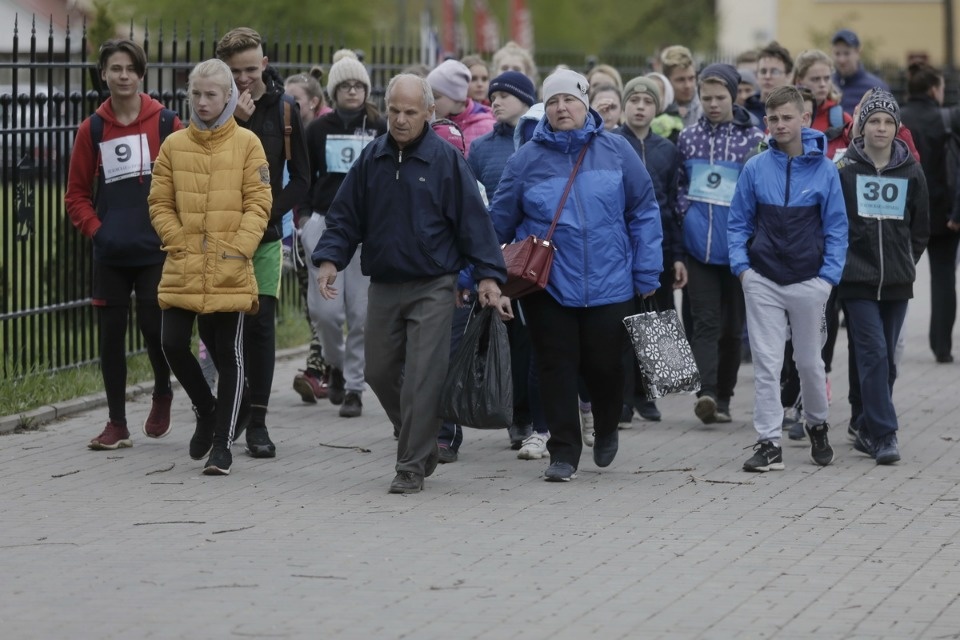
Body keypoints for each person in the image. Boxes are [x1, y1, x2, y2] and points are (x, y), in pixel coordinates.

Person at [311, 74, 509, 494]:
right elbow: (345, 214)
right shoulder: (372, 158)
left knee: (422, 375)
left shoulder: (445, 160)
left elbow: (474, 223)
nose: (400, 120)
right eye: (394, 112)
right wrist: (330, 259)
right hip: (384, 282)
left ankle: (411, 465)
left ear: (429, 113)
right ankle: (419, 434)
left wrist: (489, 276)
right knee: (379, 371)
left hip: (434, 285)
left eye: (410, 113)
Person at [489, 69, 663, 482]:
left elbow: (644, 210)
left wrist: (646, 269)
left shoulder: (617, 151)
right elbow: (497, 223)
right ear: (544, 109)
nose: (561, 108)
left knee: (605, 365)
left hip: (611, 280)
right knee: (555, 366)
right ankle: (563, 452)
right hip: (549, 284)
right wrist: (481, 276)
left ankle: (605, 427)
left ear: (585, 104)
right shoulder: (525, 159)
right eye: (552, 102)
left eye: (569, 100)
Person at [148, 58, 272, 476]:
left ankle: (222, 445)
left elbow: (259, 202)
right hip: (184, 260)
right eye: (196, 94)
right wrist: (178, 239)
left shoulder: (248, 144)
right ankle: (207, 408)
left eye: (211, 95)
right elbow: (160, 202)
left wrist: (240, 248)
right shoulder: (174, 145)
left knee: (227, 352)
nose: (202, 102)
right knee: (171, 342)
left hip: (229, 263)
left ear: (228, 98)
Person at [66, 39, 182, 451]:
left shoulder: (167, 124)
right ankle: (117, 423)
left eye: (130, 68)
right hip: (112, 251)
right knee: (111, 336)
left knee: (155, 330)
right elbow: (75, 194)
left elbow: (184, 184)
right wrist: (98, 230)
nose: (123, 76)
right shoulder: (92, 129)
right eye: (115, 68)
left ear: (141, 73)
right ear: (104, 75)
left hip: (156, 249)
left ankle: (163, 393)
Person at [728, 85, 848, 472]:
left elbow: (837, 228)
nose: (780, 124)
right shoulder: (755, 167)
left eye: (787, 117)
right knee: (766, 362)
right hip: (762, 278)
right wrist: (743, 270)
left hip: (809, 280)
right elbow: (738, 222)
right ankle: (768, 442)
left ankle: (817, 423)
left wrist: (827, 279)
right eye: (774, 118)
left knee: (810, 363)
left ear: (802, 119)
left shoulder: (826, 169)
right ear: (766, 122)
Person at [216, 27, 310, 458]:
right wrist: (234, 120)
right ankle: (225, 407)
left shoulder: (286, 110)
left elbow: (304, 180)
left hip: (267, 238)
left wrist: (265, 213)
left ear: (265, 65)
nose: (243, 80)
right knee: (221, 329)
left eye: (251, 70)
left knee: (260, 326)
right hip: (218, 237)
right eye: (235, 72)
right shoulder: (209, 108)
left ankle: (257, 421)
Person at [836, 90, 929, 464]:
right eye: (874, 120)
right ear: (861, 126)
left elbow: (920, 227)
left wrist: (906, 260)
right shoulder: (845, 171)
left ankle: (863, 422)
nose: (881, 127)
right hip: (856, 280)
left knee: (886, 359)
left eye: (888, 122)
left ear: (897, 128)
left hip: (896, 281)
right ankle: (885, 434)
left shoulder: (911, 171)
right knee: (872, 352)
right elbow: (834, 223)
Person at [298, 52, 386, 419]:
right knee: (326, 311)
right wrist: (303, 220)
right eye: (346, 85)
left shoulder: (379, 127)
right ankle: (332, 363)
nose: (353, 91)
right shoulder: (317, 130)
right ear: (334, 91)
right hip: (325, 223)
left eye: (359, 85)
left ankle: (353, 387)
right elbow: (306, 176)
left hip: (366, 227)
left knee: (362, 315)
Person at [676, 63, 763, 425]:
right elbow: (679, 185)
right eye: (706, 97)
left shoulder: (753, 137)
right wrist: (687, 215)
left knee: (732, 329)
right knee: (706, 323)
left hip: (738, 247)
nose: (713, 104)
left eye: (720, 97)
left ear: (734, 95)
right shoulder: (688, 137)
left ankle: (724, 397)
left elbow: (760, 189)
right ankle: (706, 393)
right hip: (698, 247)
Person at [614, 76, 687, 424]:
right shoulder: (612, 143)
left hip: (657, 247)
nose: (640, 106)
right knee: (624, 324)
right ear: (624, 105)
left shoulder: (667, 150)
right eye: (633, 100)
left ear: (657, 108)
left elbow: (673, 207)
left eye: (647, 101)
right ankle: (624, 398)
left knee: (656, 323)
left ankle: (649, 394)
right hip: (621, 248)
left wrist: (676, 256)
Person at [900, 62, 960, 363]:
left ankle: (891, 338)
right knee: (944, 277)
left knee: (897, 274)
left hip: (901, 211)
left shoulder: (896, 118)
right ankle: (942, 347)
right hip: (942, 213)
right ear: (935, 89)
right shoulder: (946, 118)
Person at [286, 69, 331, 404]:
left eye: (295, 102)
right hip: (300, 228)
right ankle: (322, 369)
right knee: (311, 303)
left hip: (332, 229)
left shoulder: (325, 131)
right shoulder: (290, 132)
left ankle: (322, 369)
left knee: (329, 305)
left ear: (314, 102)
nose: (288, 107)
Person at [427, 59, 496, 156]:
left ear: (454, 96)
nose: (431, 103)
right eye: (474, 79)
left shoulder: (488, 126)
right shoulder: (434, 123)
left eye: (436, 97)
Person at [793, 49, 852, 161]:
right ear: (799, 81)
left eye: (827, 78)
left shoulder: (842, 119)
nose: (822, 84)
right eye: (815, 79)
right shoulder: (784, 116)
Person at [832, 29, 890, 115]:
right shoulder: (827, 84)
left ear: (858, 52)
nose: (842, 60)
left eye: (847, 53)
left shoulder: (876, 88)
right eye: (837, 54)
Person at [750, 41, 793, 125]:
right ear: (756, 76)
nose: (767, 76)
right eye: (763, 71)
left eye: (774, 72)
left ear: (788, 76)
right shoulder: (746, 112)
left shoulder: (796, 111)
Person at [660, 45, 701, 127]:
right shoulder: (655, 107)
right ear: (667, 81)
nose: (688, 85)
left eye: (691, 78)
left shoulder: (705, 109)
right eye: (681, 80)